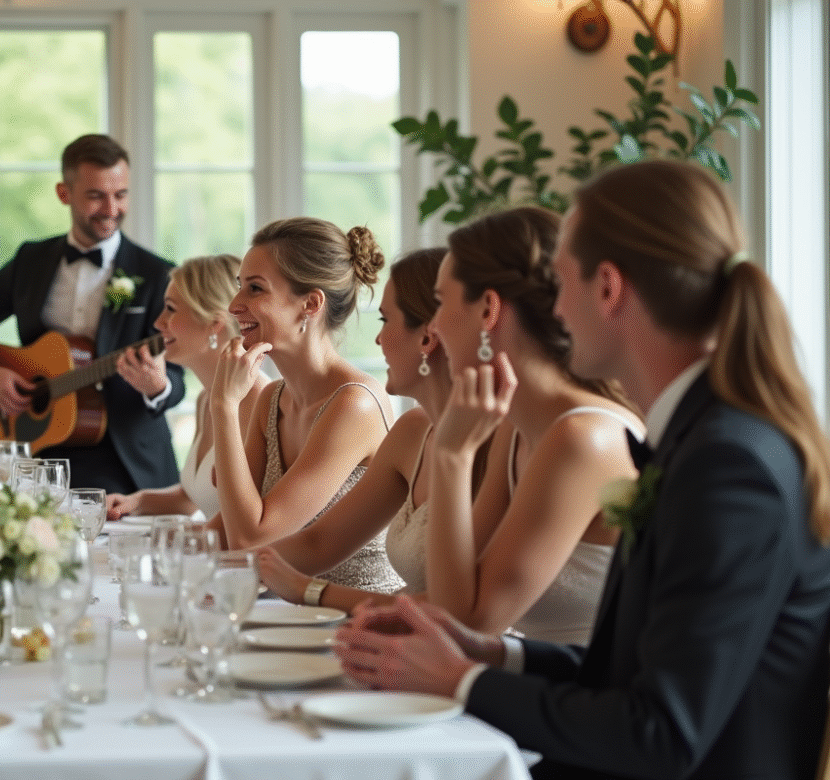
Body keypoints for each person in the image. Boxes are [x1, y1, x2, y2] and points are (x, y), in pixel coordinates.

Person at [335, 160, 830, 780]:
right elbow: (623, 671)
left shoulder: (729, 467)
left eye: (562, 280)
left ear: (608, 289)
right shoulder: (695, 438)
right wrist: (490, 654)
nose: (555, 305)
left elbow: (662, 734)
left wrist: (461, 681)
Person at [419, 206, 641, 644]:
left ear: (488, 309)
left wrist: (450, 455)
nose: (434, 326)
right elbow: (456, 593)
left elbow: (468, 623)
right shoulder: (518, 429)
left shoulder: (583, 438)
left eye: (441, 303)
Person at [0, 134, 184, 495]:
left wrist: (158, 386)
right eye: (96, 196)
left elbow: (176, 374)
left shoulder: (158, 274)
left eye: (121, 195)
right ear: (64, 193)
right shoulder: (31, 261)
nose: (111, 209)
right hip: (37, 450)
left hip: (123, 461)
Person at [256, 248, 473, 610]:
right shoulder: (412, 430)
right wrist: (213, 567)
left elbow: (466, 611)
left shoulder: (499, 440)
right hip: (395, 631)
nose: (378, 340)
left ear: (427, 337)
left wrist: (307, 590)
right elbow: (318, 543)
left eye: (385, 321)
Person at [208, 217, 402, 593]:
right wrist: (146, 555)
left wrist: (224, 406)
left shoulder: (354, 404)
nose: (234, 305)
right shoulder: (271, 399)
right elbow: (225, 533)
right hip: (281, 612)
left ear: (310, 304)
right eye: (239, 286)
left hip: (353, 619)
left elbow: (251, 541)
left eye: (254, 288)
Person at [106, 254, 267, 520]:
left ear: (214, 324)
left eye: (170, 308)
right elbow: (195, 497)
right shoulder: (205, 399)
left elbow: (248, 520)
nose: (158, 323)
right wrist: (139, 500)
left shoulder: (259, 399)